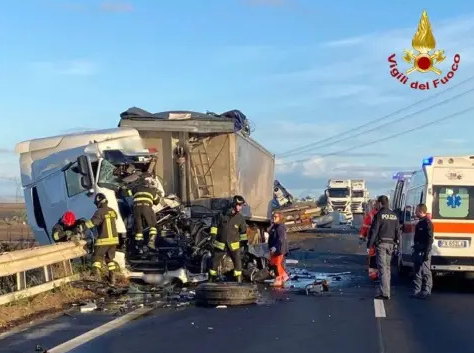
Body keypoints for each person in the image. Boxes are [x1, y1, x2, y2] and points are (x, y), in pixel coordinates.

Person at [209, 195, 248, 283]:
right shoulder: (221, 215)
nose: (241, 208)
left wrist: (244, 243)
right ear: (234, 204)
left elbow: (243, 232)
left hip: (234, 246)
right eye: (239, 205)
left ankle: (238, 282)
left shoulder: (240, 218)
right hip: (220, 244)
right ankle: (211, 281)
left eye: (241, 206)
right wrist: (212, 236)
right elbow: (214, 226)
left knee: (238, 265)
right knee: (214, 264)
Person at [367, 195, 400, 300]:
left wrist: (369, 245)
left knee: (382, 268)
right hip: (391, 244)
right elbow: (397, 231)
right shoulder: (394, 215)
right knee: (387, 268)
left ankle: (385, 293)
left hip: (381, 244)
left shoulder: (379, 215)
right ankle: (387, 291)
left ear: (380, 203)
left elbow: (374, 231)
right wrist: (397, 244)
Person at [83, 193, 119, 285]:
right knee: (110, 260)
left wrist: (83, 225)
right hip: (114, 240)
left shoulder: (99, 212)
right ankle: (112, 279)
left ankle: (97, 278)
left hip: (103, 240)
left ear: (98, 202)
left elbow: (92, 223)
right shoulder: (112, 211)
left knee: (96, 258)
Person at [132, 175, 160, 250]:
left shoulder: (135, 189)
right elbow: (157, 201)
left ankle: (139, 247)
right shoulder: (152, 190)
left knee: (139, 229)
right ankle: (151, 242)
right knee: (153, 225)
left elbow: (131, 194)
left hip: (136, 209)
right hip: (146, 208)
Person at [412, 204, 433, 299]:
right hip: (418, 249)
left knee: (425, 271)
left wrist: (427, 252)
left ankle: (426, 291)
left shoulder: (427, 223)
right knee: (417, 271)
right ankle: (417, 291)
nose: (415, 213)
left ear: (421, 211)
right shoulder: (420, 223)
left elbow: (429, 239)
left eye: (416, 211)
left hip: (424, 249)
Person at [359, 199, 380, 281]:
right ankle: (381, 276)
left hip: (373, 240)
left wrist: (362, 237)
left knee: (373, 258)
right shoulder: (388, 214)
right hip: (385, 240)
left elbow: (365, 227)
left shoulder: (371, 215)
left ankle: (374, 275)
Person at [268, 212, 289, 287]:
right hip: (275, 249)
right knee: (274, 264)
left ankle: (280, 279)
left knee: (278, 265)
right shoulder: (275, 226)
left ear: (280, 218)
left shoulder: (280, 227)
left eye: (276, 217)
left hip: (279, 249)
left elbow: (281, 239)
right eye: (273, 216)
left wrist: (275, 247)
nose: (274, 218)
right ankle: (283, 277)